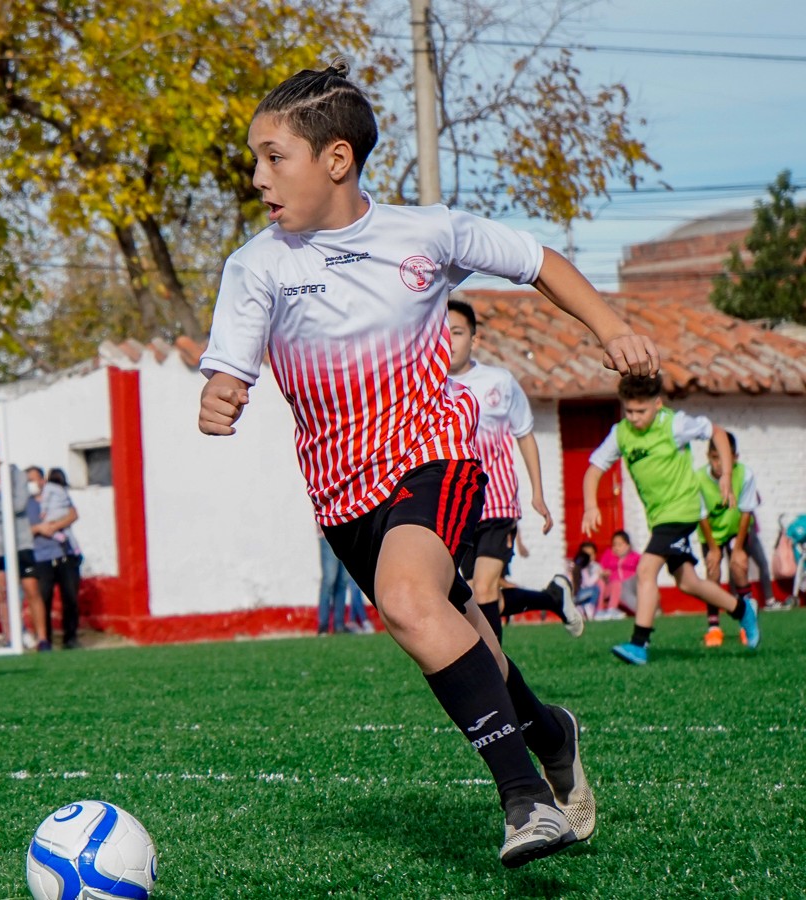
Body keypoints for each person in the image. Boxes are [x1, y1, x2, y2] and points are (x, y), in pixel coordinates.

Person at [194, 63, 644, 866]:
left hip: (434, 458)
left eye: (273, 157)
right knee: (454, 630)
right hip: (342, 498)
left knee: (409, 601)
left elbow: (539, 260)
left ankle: (525, 802)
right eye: (255, 160)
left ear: (336, 159)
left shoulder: (426, 232)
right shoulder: (256, 265)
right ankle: (551, 732)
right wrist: (221, 395)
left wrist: (610, 330)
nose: (257, 177)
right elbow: (233, 362)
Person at [583, 374, 759, 665]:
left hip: (682, 510)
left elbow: (716, 432)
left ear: (658, 404)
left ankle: (639, 643)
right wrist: (591, 504)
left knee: (646, 569)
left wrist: (726, 475)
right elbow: (594, 467)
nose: (635, 418)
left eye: (642, 411)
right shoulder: (621, 433)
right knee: (688, 582)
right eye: (629, 411)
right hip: (659, 517)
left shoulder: (674, 424)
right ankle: (742, 610)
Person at [446, 300, 580, 639]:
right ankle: (552, 598)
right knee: (475, 595)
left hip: (497, 503)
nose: (448, 339)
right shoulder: (429, 389)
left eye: (457, 332)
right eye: (441, 332)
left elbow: (525, 435)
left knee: (486, 589)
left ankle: (496, 676)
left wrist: (538, 493)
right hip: (459, 509)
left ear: (474, 339)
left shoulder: (499, 382)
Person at [696, 433, 762, 646]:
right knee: (713, 572)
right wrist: (714, 549)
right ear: (708, 456)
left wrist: (739, 549)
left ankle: (747, 624)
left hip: (736, 530)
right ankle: (714, 628)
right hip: (711, 533)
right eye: (714, 457)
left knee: (739, 567)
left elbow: (746, 513)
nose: (718, 463)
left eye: (724, 458)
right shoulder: (698, 479)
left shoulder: (745, 475)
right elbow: (702, 515)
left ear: (735, 457)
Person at [0, 438, 46, 650]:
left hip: (20, 542)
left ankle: (42, 638)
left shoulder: (16, 474)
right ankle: (11, 638)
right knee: (3, 593)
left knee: (31, 588)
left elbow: (18, 504)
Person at [27, 466, 81, 649]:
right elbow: (20, 531)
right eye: (29, 481)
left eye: (35, 479)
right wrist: (38, 529)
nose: (33, 484)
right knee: (43, 599)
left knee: (70, 597)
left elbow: (73, 514)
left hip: (65, 554)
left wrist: (55, 525)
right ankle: (45, 639)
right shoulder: (24, 504)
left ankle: (71, 638)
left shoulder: (57, 495)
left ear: (43, 480)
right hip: (40, 558)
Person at [599, 530, 639, 619]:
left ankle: (642, 611)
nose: (617, 547)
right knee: (617, 585)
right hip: (612, 587)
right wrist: (604, 573)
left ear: (627, 545)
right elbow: (600, 570)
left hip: (630, 587)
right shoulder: (608, 555)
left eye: (620, 544)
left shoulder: (635, 557)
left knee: (625, 589)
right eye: (614, 545)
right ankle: (608, 610)